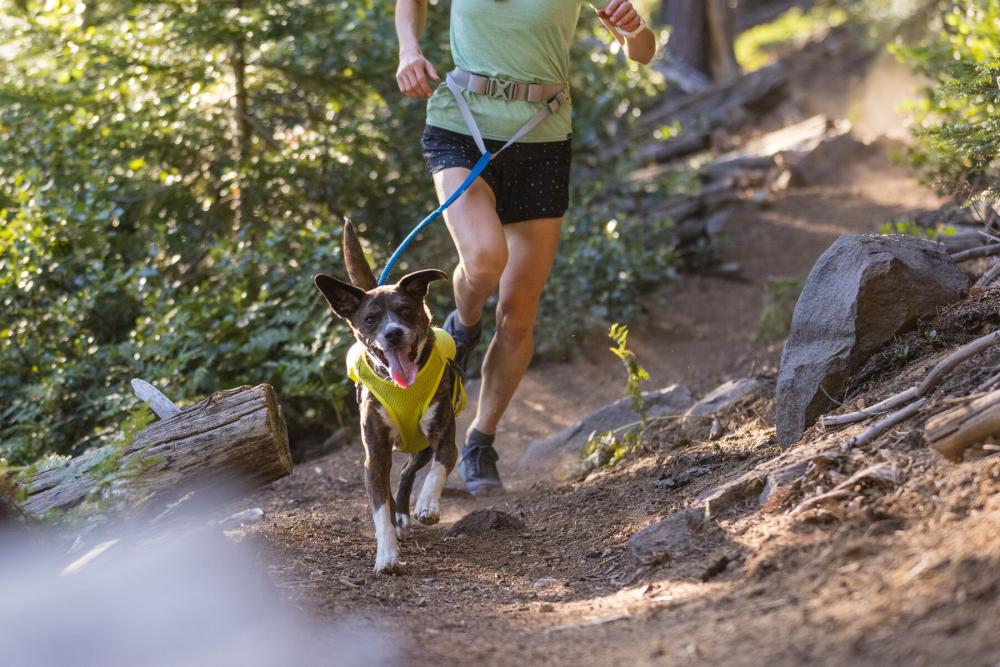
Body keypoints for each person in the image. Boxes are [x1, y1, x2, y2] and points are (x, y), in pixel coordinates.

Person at [394, 0, 656, 496]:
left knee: (517, 316)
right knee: (484, 261)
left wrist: (634, 26)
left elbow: (641, 52)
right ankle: (463, 326)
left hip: (542, 139)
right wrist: (409, 50)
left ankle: (480, 442)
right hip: (461, 124)